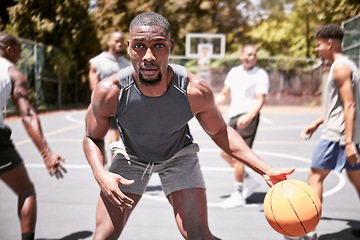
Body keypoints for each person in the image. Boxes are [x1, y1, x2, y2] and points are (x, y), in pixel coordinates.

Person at [83, 11, 294, 240]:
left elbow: (221, 132)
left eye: (159, 46)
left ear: (171, 47)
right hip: (131, 156)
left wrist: (265, 169)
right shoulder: (109, 92)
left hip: (178, 156)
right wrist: (100, 173)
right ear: (129, 47)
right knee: (103, 237)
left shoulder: (194, 91)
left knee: (198, 235)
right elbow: (92, 137)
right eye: (139, 46)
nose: (148, 56)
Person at [294, 24, 360, 240]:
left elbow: (350, 105)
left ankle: (309, 231)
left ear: (329, 43)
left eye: (319, 45)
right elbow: (342, 105)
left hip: (338, 136)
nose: (317, 49)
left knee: (315, 176)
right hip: (350, 134)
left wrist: (348, 142)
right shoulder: (350, 65)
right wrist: (317, 122)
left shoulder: (340, 67)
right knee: (357, 179)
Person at [0, 33, 67, 240]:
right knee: (26, 190)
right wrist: (46, 153)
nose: (20, 57)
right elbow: (27, 114)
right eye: (19, 52)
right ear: (9, 49)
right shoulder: (11, 72)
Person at [215, 44, 269, 208]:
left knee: (238, 155)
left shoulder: (260, 74)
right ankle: (248, 181)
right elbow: (224, 94)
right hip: (234, 115)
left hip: (248, 117)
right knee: (224, 153)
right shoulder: (234, 72)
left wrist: (250, 115)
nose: (251, 57)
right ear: (241, 55)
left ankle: (238, 194)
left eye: (254, 55)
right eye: (248, 54)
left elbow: (260, 99)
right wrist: (208, 105)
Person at [88, 31, 130, 163]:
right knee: (96, 137)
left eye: (121, 42)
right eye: (116, 41)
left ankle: (114, 164)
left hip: (118, 106)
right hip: (99, 104)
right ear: (109, 41)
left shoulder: (128, 65)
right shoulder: (97, 62)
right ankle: (103, 161)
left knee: (115, 133)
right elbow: (94, 87)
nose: (119, 44)